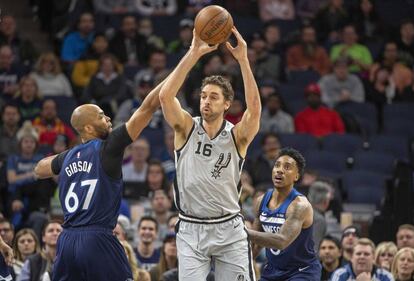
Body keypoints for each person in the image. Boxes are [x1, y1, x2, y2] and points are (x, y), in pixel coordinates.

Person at [33, 71, 168, 280]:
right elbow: (148, 107)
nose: (107, 118)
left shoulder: (67, 157)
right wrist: (186, 61)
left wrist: (67, 157)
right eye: (101, 116)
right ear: (88, 127)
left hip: (67, 240)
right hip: (97, 238)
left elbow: (39, 169)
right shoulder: (108, 147)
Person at [159, 25, 261, 280]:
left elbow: (255, 110)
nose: (206, 101)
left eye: (213, 97)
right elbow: (165, 96)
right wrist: (193, 53)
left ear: (227, 104)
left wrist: (243, 60)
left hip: (229, 226)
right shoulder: (186, 128)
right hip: (191, 227)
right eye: (204, 96)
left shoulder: (237, 135)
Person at [247, 148, 322, 280]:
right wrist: (245, 263)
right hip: (273, 269)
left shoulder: (300, 206)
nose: (279, 170)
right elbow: (256, 243)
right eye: (277, 165)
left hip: (301, 271)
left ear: (296, 176)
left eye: (287, 167)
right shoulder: (261, 200)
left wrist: (240, 231)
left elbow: (281, 241)